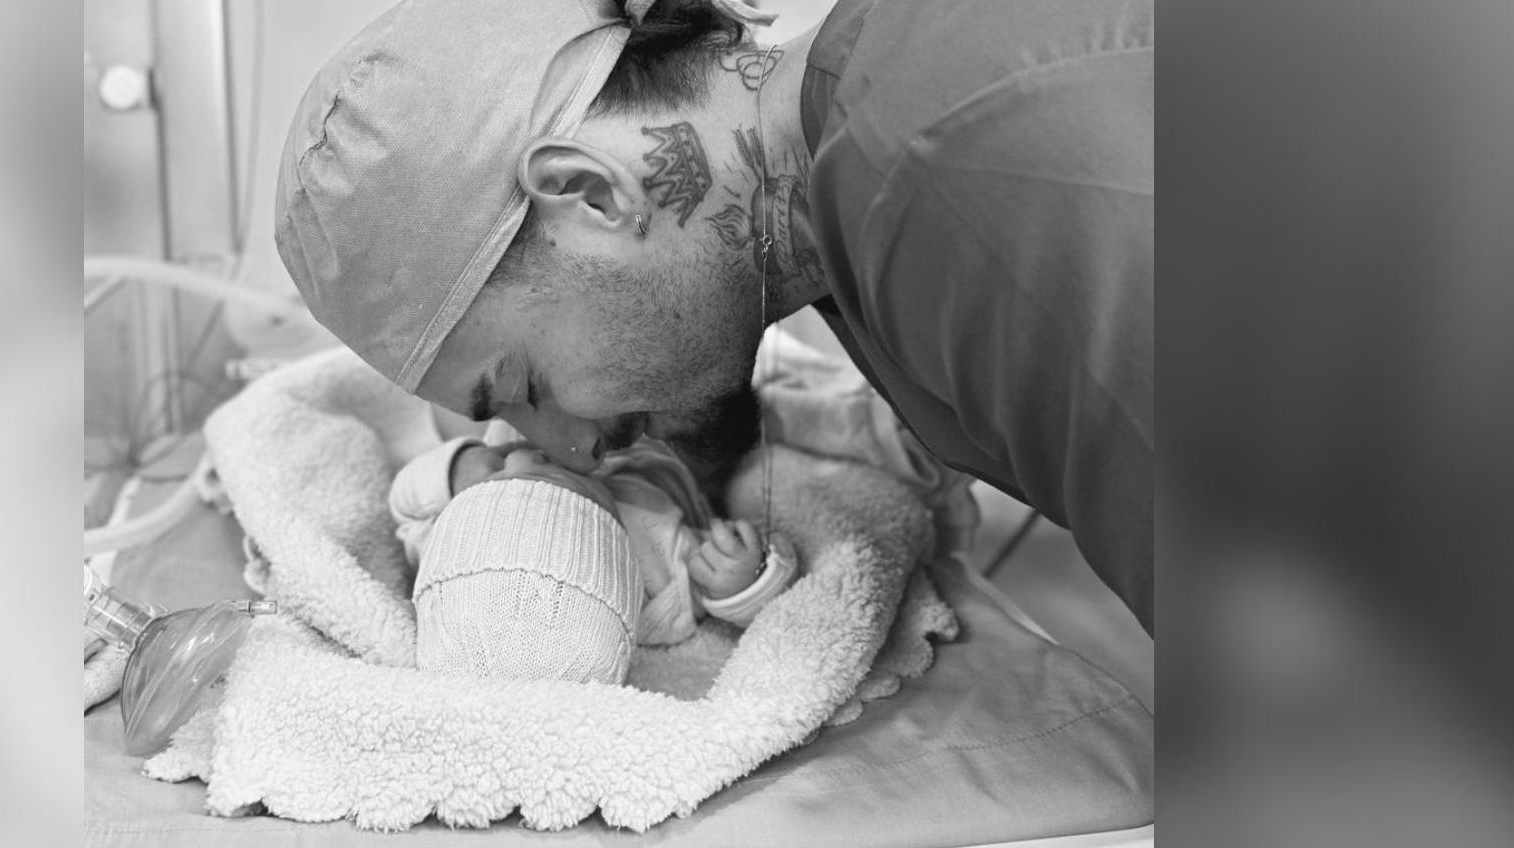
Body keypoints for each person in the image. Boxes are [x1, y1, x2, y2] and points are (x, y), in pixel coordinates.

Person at [275, 0, 1154, 632]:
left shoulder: (949, 174)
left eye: (524, 386)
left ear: (589, 194)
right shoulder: (852, 196)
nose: (570, 448)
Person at [392, 432, 796, 656]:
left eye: (498, 477)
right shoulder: (657, 586)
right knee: (720, 448)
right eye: (549, 474)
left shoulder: (445, 550)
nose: (521, 459)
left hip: (516, 422)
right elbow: (768, 610)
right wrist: (741, 583)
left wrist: (456, 469)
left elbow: (405, 510)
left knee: (460, 422)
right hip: (652, 445)